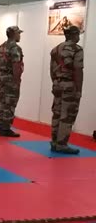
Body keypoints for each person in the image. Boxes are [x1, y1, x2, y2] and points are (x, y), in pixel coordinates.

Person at [49, 25, 83, 154]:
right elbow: (78, 70)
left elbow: (52, 69)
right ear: (74, 35)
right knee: (67, 115)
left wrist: (55, 82)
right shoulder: (77, 49)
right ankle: (62, 144)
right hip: (70, 85)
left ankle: (54, 141)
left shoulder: (56, 49)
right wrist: (79, 89)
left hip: (58, 84)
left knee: (57, 113)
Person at [0, 26, 24, 137]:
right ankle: (5, 128)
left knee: (2, 103)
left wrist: (0, 76)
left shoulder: (1, 47)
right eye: (18, 33)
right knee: (10, 103)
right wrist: (17, 81)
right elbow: (16, 65)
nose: (19, 35)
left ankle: (1, 126)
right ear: (13, 34)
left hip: (2, 78)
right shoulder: (15, 48)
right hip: (11, 80)